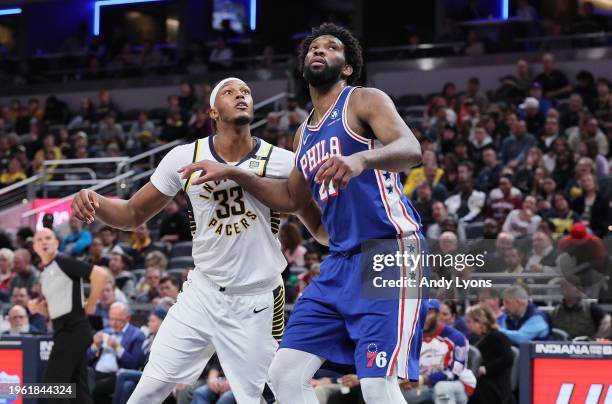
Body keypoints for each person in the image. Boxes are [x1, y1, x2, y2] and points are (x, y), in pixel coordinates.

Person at [179, 23, 427, 404]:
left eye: (331, 47)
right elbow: (294, 199)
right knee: (284, 374)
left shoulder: (363, 100)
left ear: (347, 67)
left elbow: (411, 149)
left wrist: (360, 159)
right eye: (314, 47)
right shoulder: (303, 134)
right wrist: (234, 172)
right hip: (340, 262)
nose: (320, 50)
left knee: (377, 383)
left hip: (390, 251)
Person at [71, 77, 325, 404]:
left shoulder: (282, 161)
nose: (241, 96)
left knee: (256, 398)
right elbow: (132, 213)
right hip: (201, 293)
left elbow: (318, 227)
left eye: (246, 92)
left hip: (256, 300)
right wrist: (95, 200)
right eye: (230, 92)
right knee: (148, 390)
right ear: (213, 112)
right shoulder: (184, 157)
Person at [28, 228, 107, 404]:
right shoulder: (45, 274)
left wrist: (91, 303)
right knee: (77, 390)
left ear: (56, 243)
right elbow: (54, 310)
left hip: (74, 329)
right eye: (39, 239)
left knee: (53, 387)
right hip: (64, 330)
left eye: (48, 238)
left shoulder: (63, 262)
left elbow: (100, 274)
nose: (44, 242)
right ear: (35, 247)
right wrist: (36, 308)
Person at [401, 299, 475, 403]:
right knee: (389, 390)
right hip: (423, 387)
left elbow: (455, 373)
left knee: (441, 389)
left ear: (438, 314)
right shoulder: (410, 338)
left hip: (455, 386)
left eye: (428, 313)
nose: (423, 317)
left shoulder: (456, 338)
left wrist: (423, 379)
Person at [88, 302, 146, 404]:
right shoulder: (105, 332)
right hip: (96, 373)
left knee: (85, 388)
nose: (113, 323)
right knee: (75, 381)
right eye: (111, 319)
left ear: (127, 318)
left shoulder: (137, 335)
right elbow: (86, 359)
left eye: (117, 320)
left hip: (116, 376)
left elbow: (134, 364)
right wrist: (95, 346)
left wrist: (118, 348)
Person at [465, 305, 513, 404]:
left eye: (470, 321)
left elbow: (507, 358)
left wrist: (486, 369)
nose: (467, 325)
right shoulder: (472, 339)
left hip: (494, 384)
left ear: (481, 322)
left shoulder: (497, 337)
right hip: (477, 381)